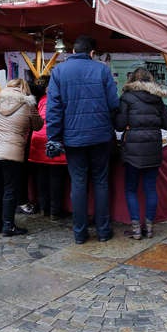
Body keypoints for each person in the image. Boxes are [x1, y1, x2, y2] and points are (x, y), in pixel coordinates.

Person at [47, 35, 119, 244]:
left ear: (73, 51)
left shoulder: (59, 71)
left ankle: (80, 233)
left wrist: (54, 137)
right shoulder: (102, 70)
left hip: (73, 138)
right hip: (100, 137)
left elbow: (54, 109)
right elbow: (114, 104)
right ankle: (104, 232)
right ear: (92, 53)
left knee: (78, 184)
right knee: (101, 183)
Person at [113, 67, 167, 239]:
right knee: (150, 189)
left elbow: (118, 125)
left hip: (133, 149)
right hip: (153, 148)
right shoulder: (157, 99)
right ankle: (149, 227)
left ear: (132, 80)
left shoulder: (126, 98)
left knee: (131, 189)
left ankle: (136, 229)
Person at [0, 79, 43, 236]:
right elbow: (38, 125)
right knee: (9, 188)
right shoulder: (28, 104)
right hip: (11, 152)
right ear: (24, 88)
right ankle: (8, 226)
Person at [28, 76, 68, 221]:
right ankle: (55, 212)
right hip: (54, 141)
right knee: (56, 178)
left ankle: (44, 208)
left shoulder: (42, 100)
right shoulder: (63, 100)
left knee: (41, 177)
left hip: (37, 141)